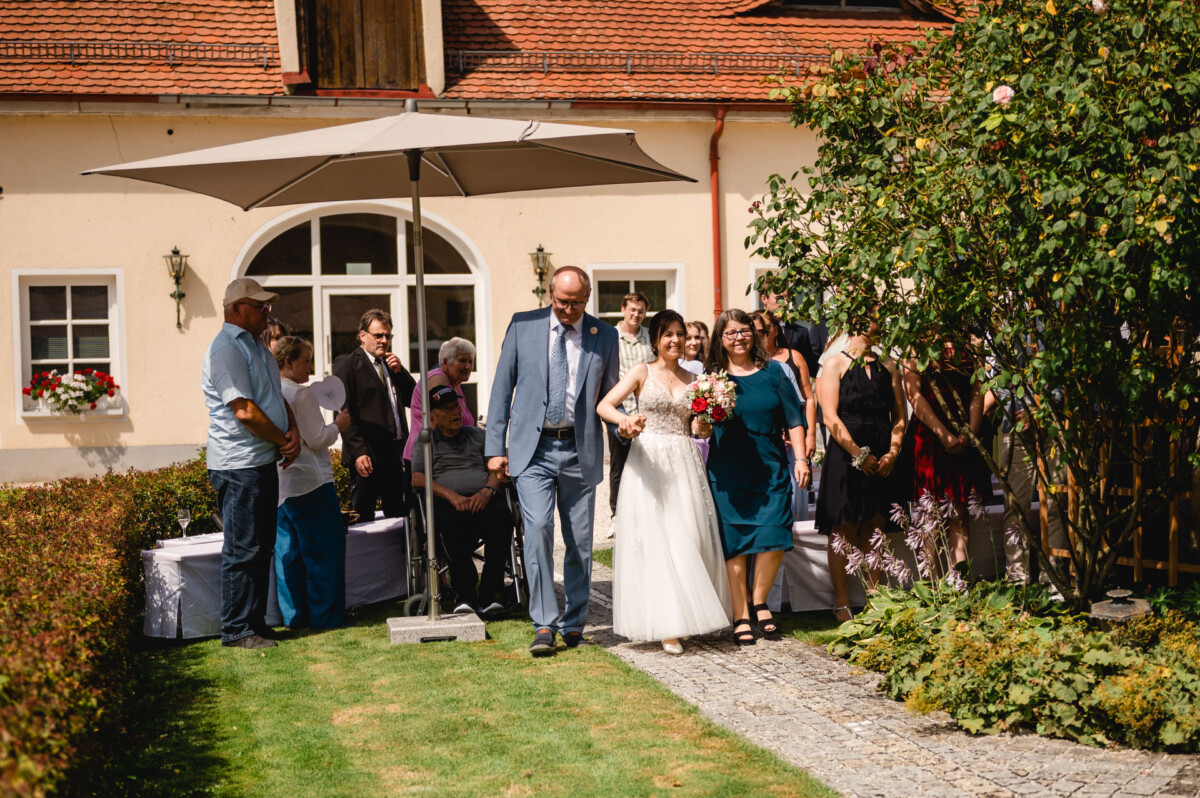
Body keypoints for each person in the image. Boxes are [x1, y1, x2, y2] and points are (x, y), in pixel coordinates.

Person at [486, 266, 620, 657]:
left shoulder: (604, 335)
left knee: (580, 542)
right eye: (562, 301)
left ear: (588, 297)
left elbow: (610, 396)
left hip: (580, 450)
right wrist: (496, 447)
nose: (568, 309)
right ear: (549, 294)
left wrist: (625, 431)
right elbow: (500, 389)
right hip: (533, 449)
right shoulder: (523, 326)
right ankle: (544, 621)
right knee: (539, 529)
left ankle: (575, 621)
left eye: (577, 302)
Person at [597, 310, 732, 655]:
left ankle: (688, 615)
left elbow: (700, 424)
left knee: (687, 536)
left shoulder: (696, 378)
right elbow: (605, 405)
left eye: (680, 334)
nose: (675, 340)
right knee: (657, 540)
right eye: (668, 334)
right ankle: (667, 624)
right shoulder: (642, 371)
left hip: (685, 460)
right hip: (650, 460)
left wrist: (704, 426)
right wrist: (626, 421)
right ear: (656, 339)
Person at [202, 277, 301, 650]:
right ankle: (236, 630)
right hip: (238, 464)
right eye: (260, 307)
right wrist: (283, 439)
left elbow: (274, 396)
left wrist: (292, 433)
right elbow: (243, 410)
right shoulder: (225, 348)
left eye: (267, 307)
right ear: (236, 310)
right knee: (242, 549)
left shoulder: (258, 347)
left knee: (260, 546)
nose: (266, 312)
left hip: (259, 460)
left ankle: (254, 622)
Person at [700, 309, 809, 646]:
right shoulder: (711, 378)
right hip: (727, 471)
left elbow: (795, 418)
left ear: (756, 334)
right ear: (720, 339)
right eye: (730, 333)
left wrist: (802, 458)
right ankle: (741, 614)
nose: (739, 338)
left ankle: (759, 599)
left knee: (775, 531)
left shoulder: (775, 373)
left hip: (771, 466)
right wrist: (701, 423)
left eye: (744, 331)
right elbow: (698, 424)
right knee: (735, 545)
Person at [815, 320, 907, 621]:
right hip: (846, 453)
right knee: (843, 528)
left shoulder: (890, 366)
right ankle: (841, 602)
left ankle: (875, 597)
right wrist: (859, 455)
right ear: (856, 321)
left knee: (875, 526)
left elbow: (900, 417)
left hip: (883, 451)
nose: (881, 322)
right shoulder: (834, 363)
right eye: (875, 315)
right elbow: (830, 417)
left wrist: (892, 452)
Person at [413, 385, 512, 615]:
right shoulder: (426, 440)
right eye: (446, 409)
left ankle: (490, 594)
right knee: (449, 523)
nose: (455, 412)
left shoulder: (478, 434)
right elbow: (417, 478)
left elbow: (499, 469)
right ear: (434, 417)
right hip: (449, 504)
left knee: (502, 517)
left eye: (455, 406)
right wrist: (452, 496)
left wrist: (487, 491)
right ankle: (465, 596)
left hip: (483, 500)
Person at [274, 336, 351, 629]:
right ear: (288, 362)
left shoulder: (270, 391)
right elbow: (317, 438)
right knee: (324, 554)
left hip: (283, 485)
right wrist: (338, 426)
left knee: (288, 555)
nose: (310, 365)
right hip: (311, 483)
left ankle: (294, 616)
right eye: (306, 359)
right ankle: (326, 618)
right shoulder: (300, 394)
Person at [903, 344, 992, 574]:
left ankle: (958, 582)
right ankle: (930, 586)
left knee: (959, 513)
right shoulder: (915, 348)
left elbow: (977, 391)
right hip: (930, 434)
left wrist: (970, 432)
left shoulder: (970, 346)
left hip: (963, 431)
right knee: (929, 513)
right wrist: (942, 434)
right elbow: (914, 395)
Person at [333, 309, 417, 521]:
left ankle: (397, 556)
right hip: (366, 456)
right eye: (378, 335)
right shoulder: (347, 364)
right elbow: (343, 410)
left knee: (398, 518)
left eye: (388, 336)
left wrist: (401, 374)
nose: (384, 340)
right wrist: (359, 451)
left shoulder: (391, 364)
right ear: (363, 335)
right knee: (363, 519)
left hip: (394, 455)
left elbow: (414, 400)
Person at [752, 310, 818, 522]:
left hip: (791, 435)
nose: (764, 334)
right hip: (765, 439)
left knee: (790, 493)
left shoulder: (792, 358)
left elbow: (807, 398)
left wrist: (810, 435)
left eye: (767, 328)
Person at [609, 292, 655, 519]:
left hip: (647, 412)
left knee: (647, 463)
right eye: (632, 310)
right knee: (620, 464)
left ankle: (644, 511)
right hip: (620, 410)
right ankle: (616, 516)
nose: (636, 315)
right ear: (623, 309)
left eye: (641, 311)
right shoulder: (611, 336)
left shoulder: (651, 336)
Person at [403, 337, 476, 462]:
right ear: (446, 362)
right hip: (428, 458)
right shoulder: (437, 378)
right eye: (462, 361)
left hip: (443, 455)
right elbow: (442, 422)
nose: (468, 366)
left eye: (471, 361)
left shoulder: (456, 385)